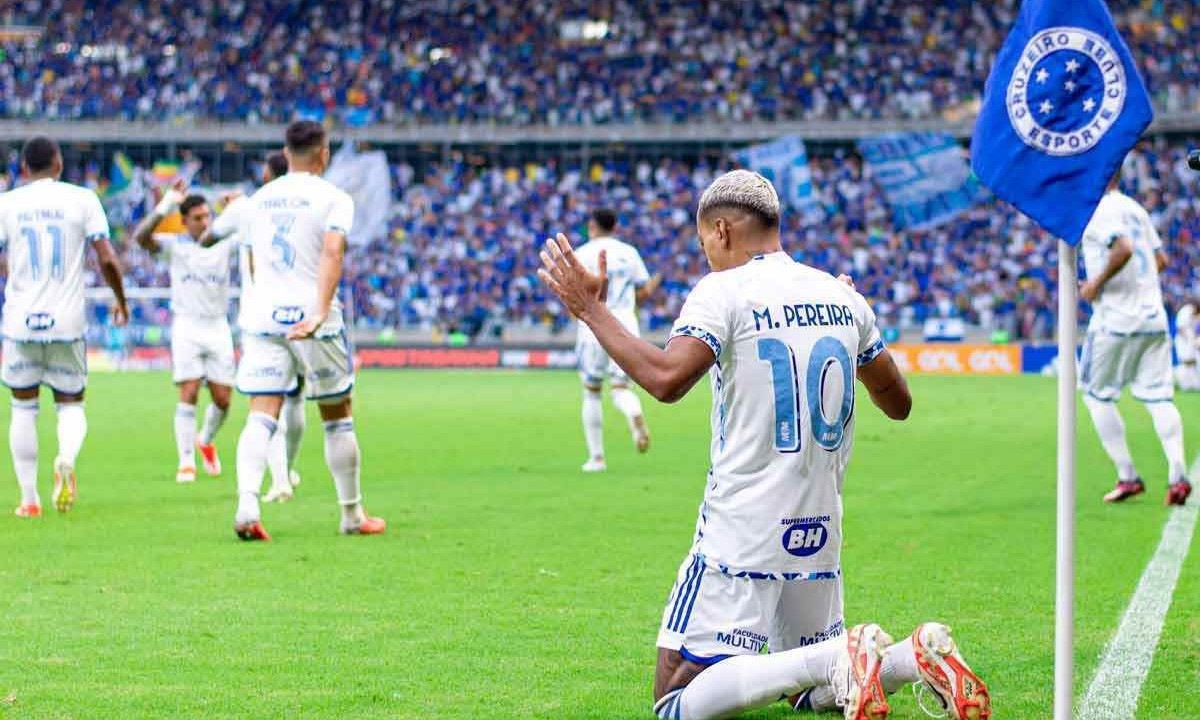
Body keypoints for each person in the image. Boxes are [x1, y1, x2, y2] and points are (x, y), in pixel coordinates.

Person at [538, 170, 989, 720]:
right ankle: (910, 659)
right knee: (808, 692)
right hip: (820, 528)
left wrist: (591, 311)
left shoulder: (722, 291)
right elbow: (899, 404)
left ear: (722, 230)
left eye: (704, 240)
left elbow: (665, 379)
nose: (705, 253)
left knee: (673, 700)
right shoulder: (840, 295)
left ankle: (839, 656)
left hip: (743, 526)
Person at [204, 121, 385, 541]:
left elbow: (211, 237)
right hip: (311, 320)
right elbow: (333, 250)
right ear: (323, 155)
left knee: (261, 414)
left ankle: (247, 506)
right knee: (337, 415)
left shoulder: (257, 201)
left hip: (263, 320)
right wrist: (321, 310)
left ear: (285, 155)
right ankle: (351, 514)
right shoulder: (334, 198)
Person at [0, 136, 129, 516]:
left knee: (23, 407)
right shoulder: (82, 199)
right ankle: (66, 458)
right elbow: (106, 257)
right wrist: (120, 301)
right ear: (58, 164)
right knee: (70, 403)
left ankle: (29, 499)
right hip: (67, 321)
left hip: (21, 320)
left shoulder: (7, 203)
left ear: (24, 168)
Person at [1079, 173, 1191, 506]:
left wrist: (1095, 285)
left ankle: (1127, 476)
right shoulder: (1135, 208)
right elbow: (1160, 260)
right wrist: (1138, 288)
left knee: (1096, 394)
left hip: (1115, 321)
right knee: (1158, 398)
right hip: (1153, 318)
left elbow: (1124, 249)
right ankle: (1178, 474)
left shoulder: (1098, 209)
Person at [209, 151, 305, 502]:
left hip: (262, 317)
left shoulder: (248, 207)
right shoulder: (312, 202)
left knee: (266, 404)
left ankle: (272, 482)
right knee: (298, 400)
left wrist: (228, 209)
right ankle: (288, 471)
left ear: (266, 174)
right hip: (304, 315)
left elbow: (206, 237)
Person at [131, 186, 237, 483]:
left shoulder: (224, 242)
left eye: (208, 216)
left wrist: (236, 208)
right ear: (185, 221)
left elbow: (254, 230)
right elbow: (141, 238)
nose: (205, 222)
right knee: (188, 391)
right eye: (198, 218)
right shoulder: (174, 246)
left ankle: (204, 440)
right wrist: (164, 204)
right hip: (187, 325)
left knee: (223, 400)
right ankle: (186, 462)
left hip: (218, 325)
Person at [572, 208, 661, 472]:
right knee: (621, 388)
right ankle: (633, 413)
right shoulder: (629, 253)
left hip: (592, 326)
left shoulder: (582, 253)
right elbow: (642, 293)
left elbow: (573, 295)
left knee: (592, 391)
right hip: (625, 326)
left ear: (592, 225)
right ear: (615, 226)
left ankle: (597, 458)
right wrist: (652, 286)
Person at [1173, 301, 1199, 391]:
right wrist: (1190, 339)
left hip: (1191, 340)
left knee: (1193, 362)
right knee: (1185, 362)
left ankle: (1193, 384)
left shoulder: (1196, 315)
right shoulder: (1186, 311)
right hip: (1182, 341)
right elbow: (1180, 328)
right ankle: (1183, 383)